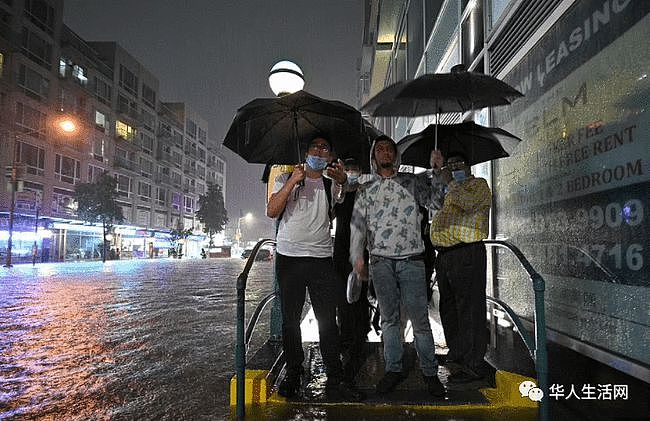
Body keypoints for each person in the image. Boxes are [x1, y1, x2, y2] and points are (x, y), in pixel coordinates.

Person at [349, 135, 447, 397]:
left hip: (413, 260)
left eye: (389, 149)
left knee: (420, 321)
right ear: (374, 157)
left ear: (395, 155)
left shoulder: (412, 182)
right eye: (379, 149)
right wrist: (357, 257)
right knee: (389, 319)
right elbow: (357, 225)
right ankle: (393, 369)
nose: (385, 153)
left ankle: (430, 372)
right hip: (380, 261)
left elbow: (437, 203)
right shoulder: (366, 189)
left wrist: (437, 172)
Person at [267, 136, 363, 401]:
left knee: (327, 320)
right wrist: (291, 182)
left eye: (325, 148)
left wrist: (343, 179)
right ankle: (294, 372)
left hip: (321, 258)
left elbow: (353, 188)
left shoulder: (331, 182)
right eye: (315, 147)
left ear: (329, 154)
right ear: (306, 151)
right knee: (290, 321)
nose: (320, 152)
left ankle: (336, 375)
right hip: (290, 258)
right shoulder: (286, 176)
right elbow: (272, 210)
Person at [429, 151, 492, 386]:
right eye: (451, 163)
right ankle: (457, 353)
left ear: (469, 166)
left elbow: (468, 204)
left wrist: (450, 182)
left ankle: (473, 364)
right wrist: (437, 173)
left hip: (467, 252)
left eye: (459, 163)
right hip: (446, 256)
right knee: (450, 308)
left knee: (469, 308)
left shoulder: (478, 185)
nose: (453, 167)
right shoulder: (450, 189)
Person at [332, 158, 371, 386]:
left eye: (354, 169)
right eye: (348, 170)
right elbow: (332, 210)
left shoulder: (365, 192)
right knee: (342, 299)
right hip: (340, 253)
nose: (351, 173)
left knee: (360, 297)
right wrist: (340, 186)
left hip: (361, 253)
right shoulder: (339, 193)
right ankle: (345, 338)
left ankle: (360, 335)